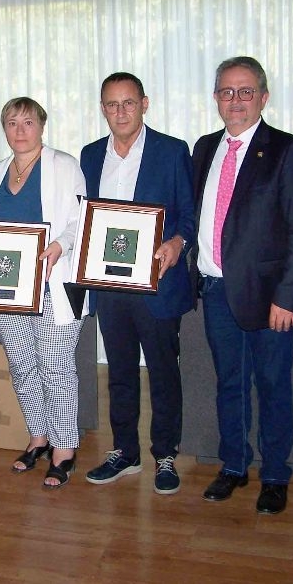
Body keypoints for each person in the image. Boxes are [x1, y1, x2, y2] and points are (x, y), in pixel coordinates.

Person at [190, 57, 293, 514]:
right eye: (226, 92)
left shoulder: (288, 150)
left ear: (263, 97)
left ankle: (277, 475)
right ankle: (233, 466)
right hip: (215, 288)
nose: (235, 101)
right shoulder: (204, 148)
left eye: (245, 92)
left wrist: (288, 297)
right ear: (216, 98)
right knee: (230, 383)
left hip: (269, 298)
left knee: (273, 385)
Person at [81, 72, 194, 495]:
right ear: (102, 109)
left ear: (145, 104)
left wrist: (177, 243)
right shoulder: (91, 155)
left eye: (128, 102)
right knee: (120, 372)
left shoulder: (171, 151)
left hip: (157, 282)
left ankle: (165, 453)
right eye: (112, 104)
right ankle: (124, 452)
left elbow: (188, 213)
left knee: (163, 372)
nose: (120, 111)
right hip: (109, 286)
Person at [0, 97, 87, 488]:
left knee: (56, 368)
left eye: (28, 122)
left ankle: (64, 448)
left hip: (54, 284)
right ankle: (38, 437)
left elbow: (82, 219)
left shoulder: (64, 166)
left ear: (42, 126)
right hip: (10, 289)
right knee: (23, 368)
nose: (20, 130)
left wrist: (60, 245)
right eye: (12, 123)